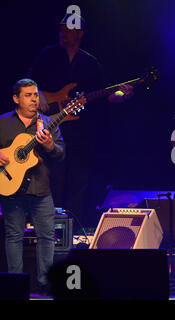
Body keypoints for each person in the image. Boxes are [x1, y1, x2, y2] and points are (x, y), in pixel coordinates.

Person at [27, 13, 133, 228]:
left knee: (79, 184)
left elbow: (107, 96)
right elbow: (27, 83)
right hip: (50, 130)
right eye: (62, 29)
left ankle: (73, 232)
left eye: (69, 29)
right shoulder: (47, 55)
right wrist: (41, 94)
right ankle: (48, 229)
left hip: (81, 133)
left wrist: (122, 95)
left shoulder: (90, 62)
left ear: (80, 34)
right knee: (52, 181)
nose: (63, 33)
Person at [0, 79, 65, 294]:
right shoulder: (3, 122)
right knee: (13, 236)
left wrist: (49, 145)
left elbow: (60, 154)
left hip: (41, 188)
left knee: (47, 236)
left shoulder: (48, 122)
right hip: (10, 187)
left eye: (35, 94)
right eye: (28, 95)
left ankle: (46, 285)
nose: (34, 99)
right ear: (16, 99)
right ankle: (15, 285)